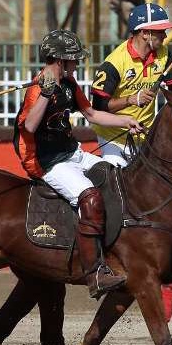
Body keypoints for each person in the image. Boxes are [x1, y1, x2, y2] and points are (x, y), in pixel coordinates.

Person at [14, 29, 144, 298]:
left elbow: (92, 113)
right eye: (73, 60)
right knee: (91, 197)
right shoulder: (37, 88)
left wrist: (126, 121)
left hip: (72, 153)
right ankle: (95, 272)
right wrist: (44, 95)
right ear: (60, 61)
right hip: (46, 162)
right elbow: (29, 126)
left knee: (113, 177)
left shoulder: (70, 85)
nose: (77, 64)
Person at [90, 2, 172, 167]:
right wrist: (131, 100)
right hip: (114, 138)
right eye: (160, 31)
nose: (165, 36)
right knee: (116, 180)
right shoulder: (114, 63)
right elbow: (98, 108)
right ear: (144, 33)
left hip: (146, 136)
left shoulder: (163, 54)